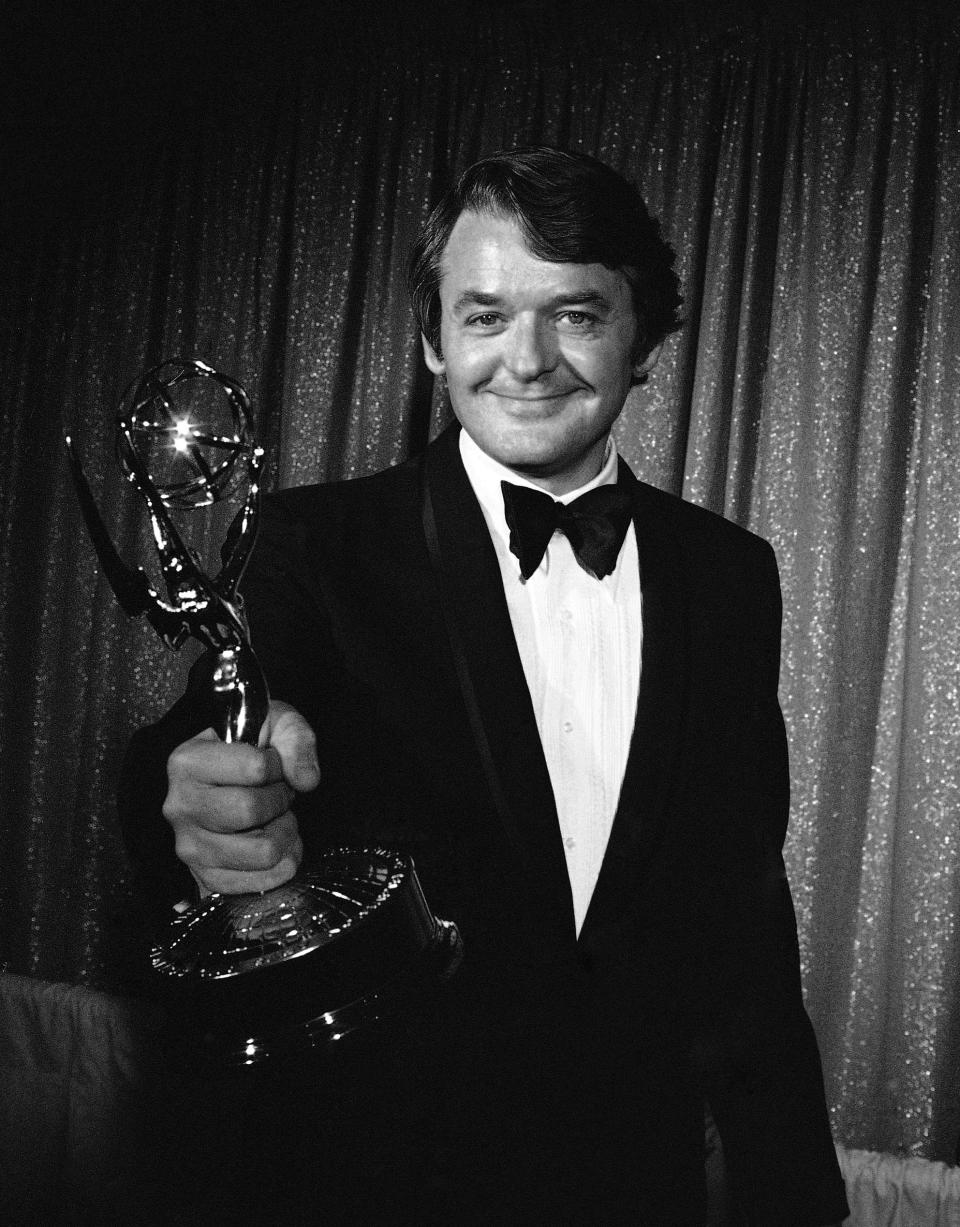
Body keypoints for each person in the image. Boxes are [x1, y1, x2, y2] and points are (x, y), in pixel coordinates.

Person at [119, 147, 850, 1225]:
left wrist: (794, 1192)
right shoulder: (313, 546)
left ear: (641, 338)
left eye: (577, 314)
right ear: (431, 341)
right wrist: (181, 796)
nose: (529, 358)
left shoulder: (731, 575)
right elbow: (199, 740)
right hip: (374, 1182)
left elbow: (742, 903)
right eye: (485, 316)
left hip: (636, 1186)